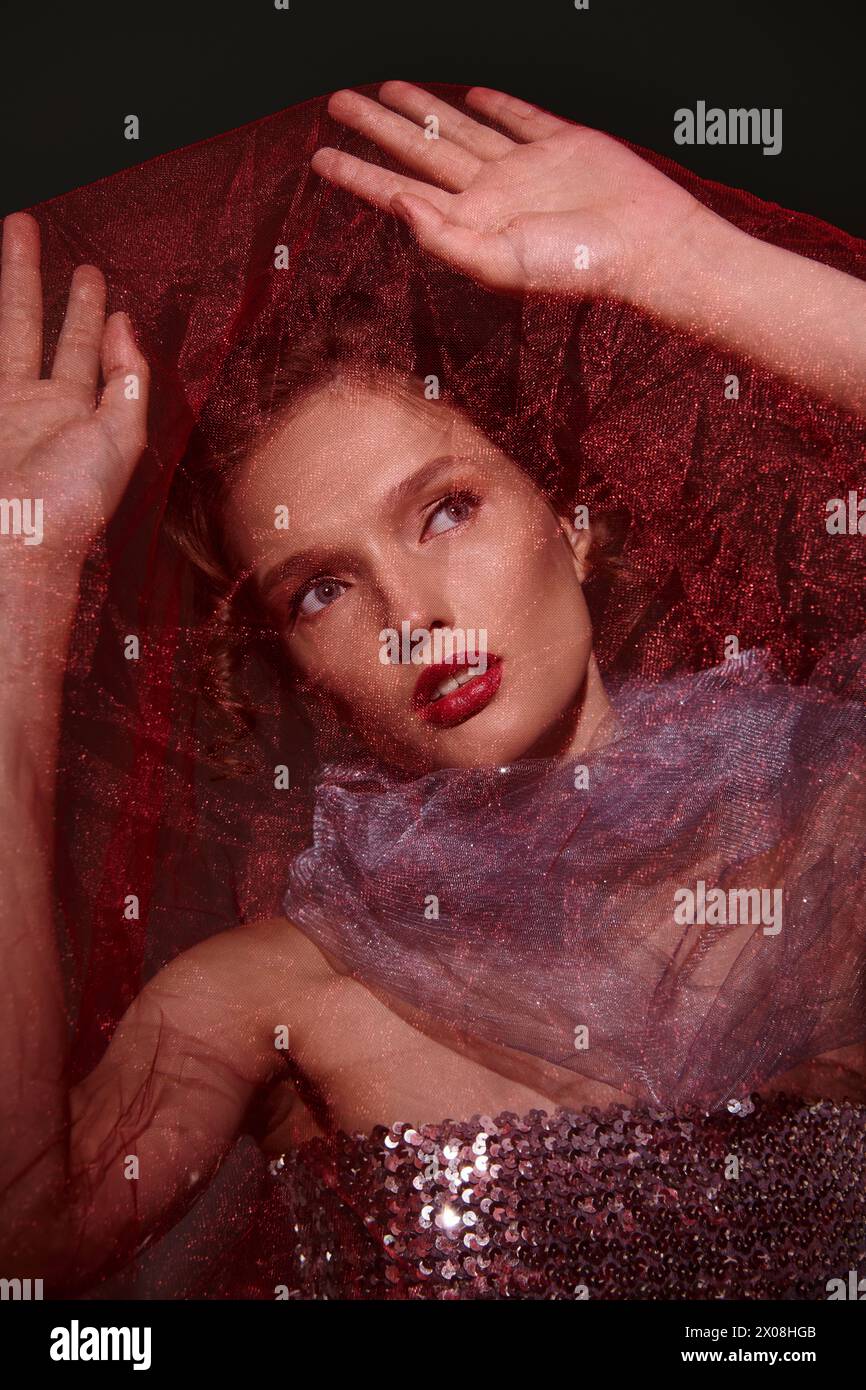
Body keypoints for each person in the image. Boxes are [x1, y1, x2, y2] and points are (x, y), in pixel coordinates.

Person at [0, 82, 864, 1300]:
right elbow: (27, 1246)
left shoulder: (832, 831)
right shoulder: (273, 990)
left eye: (445, 510)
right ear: (296, 672)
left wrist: (691, 265)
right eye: (322, 590)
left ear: (569, 524)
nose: (412, 622)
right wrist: (22, 571)